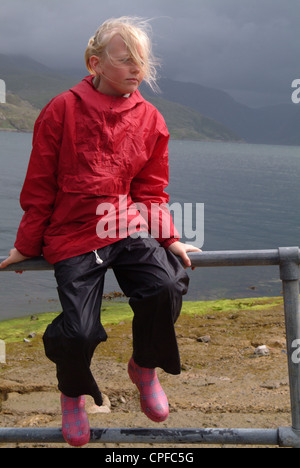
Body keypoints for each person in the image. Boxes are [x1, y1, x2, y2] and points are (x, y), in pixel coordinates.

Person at [0, 17, 200, 447]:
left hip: (125, 224)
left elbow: (150, 187)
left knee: (166, 284)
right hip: (72, 232)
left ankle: (143, 366)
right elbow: (40, 184)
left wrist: (168, 237)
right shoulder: (62, 109)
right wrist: (25, 245)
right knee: (79, 331)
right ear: (96, 62)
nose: (136, 68)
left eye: (142, 61)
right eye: (125, 59)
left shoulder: (150, 118)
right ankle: (73, 393)